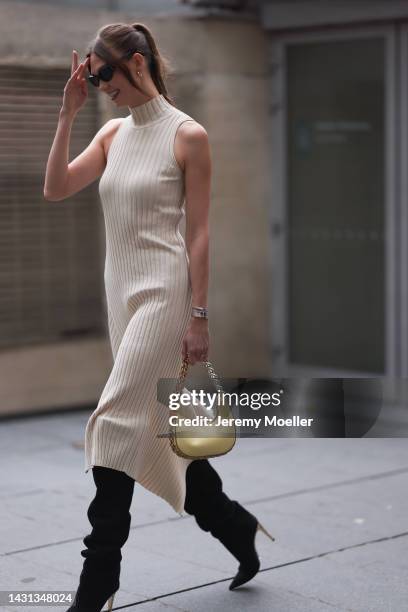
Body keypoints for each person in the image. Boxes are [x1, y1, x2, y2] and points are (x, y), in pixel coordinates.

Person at [43, 22, 274, 612]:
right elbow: (55, 188)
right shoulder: (114, 133)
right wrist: (69, 114)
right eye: (91, 77)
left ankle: (98, 582)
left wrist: (199, 315)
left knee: (116, 422)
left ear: (137, 64)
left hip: (166, 295)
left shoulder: (188, 135)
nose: (98, 85)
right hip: (120, 295)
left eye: (104, 74)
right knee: (163, 436)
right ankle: (234, 525)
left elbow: (198, 234)